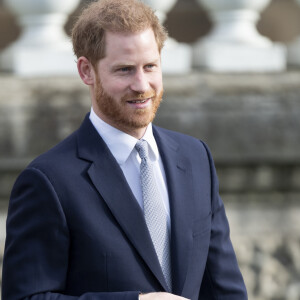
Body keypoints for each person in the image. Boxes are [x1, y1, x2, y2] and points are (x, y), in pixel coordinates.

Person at [2, 0, 248, 299]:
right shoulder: (48, 181)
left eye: (150, 67)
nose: (142, 85)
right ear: (86, 71)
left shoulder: (196, 158)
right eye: (124, 70)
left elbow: (225, 291)